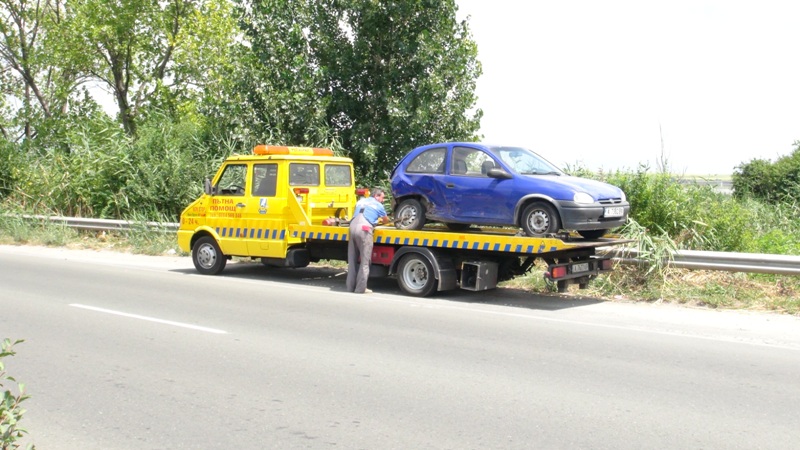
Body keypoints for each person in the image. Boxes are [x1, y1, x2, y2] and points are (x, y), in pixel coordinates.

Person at [346, 187, 390, 294]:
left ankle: (350, 287)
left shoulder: (361, 201)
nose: (383, 200)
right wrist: (380, 220)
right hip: (364, 229)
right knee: (365, 261)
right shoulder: (378, 205)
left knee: (352, 260)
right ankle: (360, 289)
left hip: (352, 227)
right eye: (382, 198)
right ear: (376, 196)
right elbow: (386, 220)